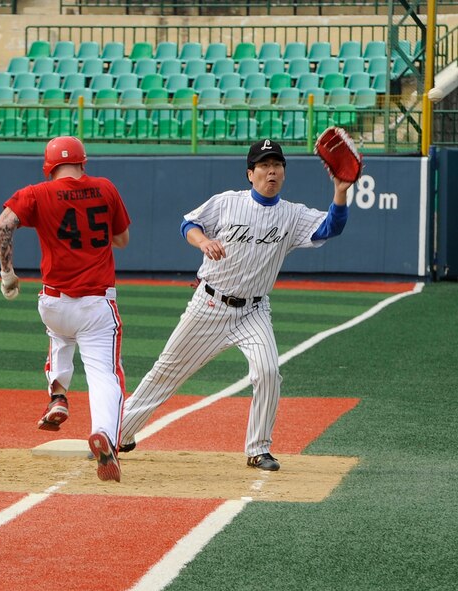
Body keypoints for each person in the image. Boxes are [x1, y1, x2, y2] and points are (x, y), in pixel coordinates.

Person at [119, 138, 353, 471]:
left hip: (254, 311)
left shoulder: (292, 214)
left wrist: (340, 192)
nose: (271, 171)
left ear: (284, 173)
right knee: (166, 372)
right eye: (264, 166)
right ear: (250, 173)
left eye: (277, 165)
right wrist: (203, 241)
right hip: (210, 306)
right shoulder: (228, 203)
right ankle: (120, 432)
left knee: (268, 371)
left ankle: (258, 449)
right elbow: (188, 223)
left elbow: (331, 227)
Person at [0, 136, 131, 483]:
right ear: (84, 162)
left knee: (58, 335)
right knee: (105, 374)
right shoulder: (106, 187)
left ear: (49, 165)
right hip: (97, 303)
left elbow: (3, 225)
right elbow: (122, 240)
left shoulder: (36, 193)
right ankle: (105, 435)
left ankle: (58, 394)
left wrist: (7, 273)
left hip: (54, 302)